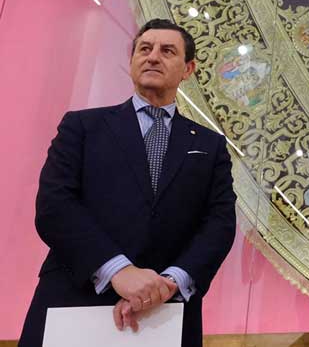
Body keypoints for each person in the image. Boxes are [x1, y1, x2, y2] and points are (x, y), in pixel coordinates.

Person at [19, 19, 237, 347]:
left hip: (165, 310)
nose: (152, 57)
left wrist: (169, 283)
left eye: (167, 51)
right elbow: (55, 205)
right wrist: (118, 271)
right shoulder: (82, 126)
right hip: (75, 296)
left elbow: (219, 223)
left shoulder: (210, 144)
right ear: (132, 60)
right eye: (144, 49)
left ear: (188, 68)